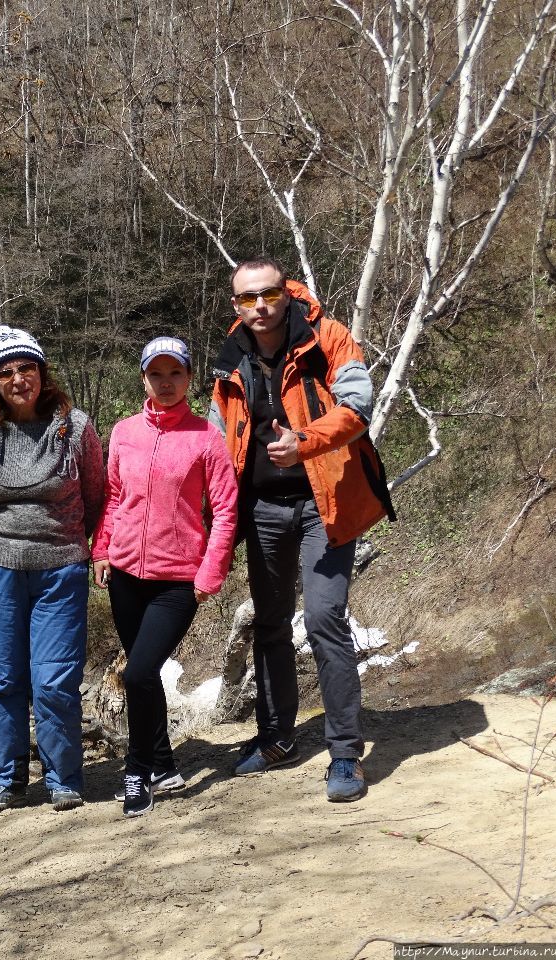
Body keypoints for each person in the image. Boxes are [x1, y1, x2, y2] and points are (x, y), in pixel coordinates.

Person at [210, 256, 395, 802]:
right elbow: (222, 437)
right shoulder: (232, 359)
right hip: (263, 509)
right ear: (236, 304)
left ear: (286, 293)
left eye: (268, 294)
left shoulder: (328, 338)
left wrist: (305, 442)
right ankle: (276, 738)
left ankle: (344, 753)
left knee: (322, 618)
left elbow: (359, 404)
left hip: (327, 501)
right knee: (268, 623)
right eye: (248, 298)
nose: (260, 306)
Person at [0, 326, 105, 815]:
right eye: (6, 372)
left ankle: (63, 776)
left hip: (60, 568)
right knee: (4, 678)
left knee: (53, 680)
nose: (18, 379)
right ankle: (6, 779)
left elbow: (95, 496)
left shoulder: (76, 427)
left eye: (27, 368)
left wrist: (81, 548)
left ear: (42, 373)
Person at [91, 337, 238, 817]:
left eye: (175, 373)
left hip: (178, 581)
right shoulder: (124, 432)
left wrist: (209, 572)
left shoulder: (205, 438)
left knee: (135, 673)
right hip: (125, 575)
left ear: (189, 379)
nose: (166, 383)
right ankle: (166, 765)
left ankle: (137, 772)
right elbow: (114, 496)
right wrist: (102, 550)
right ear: (144, 379)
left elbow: (225, 510)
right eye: (157, 374)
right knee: (144, 674)